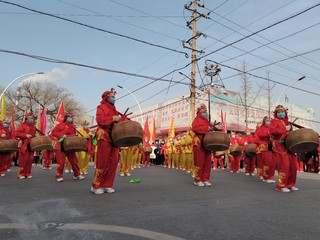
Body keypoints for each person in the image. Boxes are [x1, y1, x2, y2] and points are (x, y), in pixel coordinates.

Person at [91, 88, 126, 194]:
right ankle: (96, 185)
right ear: (106, 97)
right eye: (112, 97)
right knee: (103, 161)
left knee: (114, 162)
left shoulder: (114, 109)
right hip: (104, 135)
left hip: (115, 137)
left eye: (114, 97)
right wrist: (112, 118)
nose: (114, 98)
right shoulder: (101, 107)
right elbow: (100, 121)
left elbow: (117, 122)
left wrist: (123, 119)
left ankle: (107, 185)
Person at [269, 105, 298, 193]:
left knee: (293, 166)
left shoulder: (288, 122)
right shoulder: (274, 121)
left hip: (289, 144)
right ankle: (281, 185)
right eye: (279, 112)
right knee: (284, 165)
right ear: (276, 114)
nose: (281, 113)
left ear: (285, 113)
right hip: (279, 145)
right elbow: (272, 131)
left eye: (282, 112)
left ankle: (290, 184)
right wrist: (284, 128)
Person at [51, 111, 84, 182]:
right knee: (61, 162)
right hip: (61, 145)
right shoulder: (60, 125)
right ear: (66, 118)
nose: (70, 118)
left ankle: (77, 174)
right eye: (69, 117)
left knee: (74, 161)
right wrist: (62, 135)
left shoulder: (73, 127)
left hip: (70, 146)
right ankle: (59, 176)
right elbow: (53, 132)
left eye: (71, 117)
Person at [191, 103, 214, 187]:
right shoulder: (197, 120)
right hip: (199, 143)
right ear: (200, 112)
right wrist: (206, 129)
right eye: (203, 111)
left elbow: (210, 129)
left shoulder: (207, 121)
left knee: (207, 162)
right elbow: (194, 128)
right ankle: (197, 179)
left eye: (206, 111)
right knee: (199, 161)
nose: (205, 113)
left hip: (207, 143)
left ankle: (205, 179)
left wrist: (214, 128)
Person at [14, 113, 37, 179]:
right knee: (23, 160)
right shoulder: (23, 126)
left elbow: (34, 135)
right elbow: (16, 133)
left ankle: (28, 173)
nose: (31, 120)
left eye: (32, 119)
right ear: (26, 119)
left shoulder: (33, 127)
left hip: (31, 145)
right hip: (24, 144)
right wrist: (25, 135)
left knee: (30, 160)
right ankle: (21, 173)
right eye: (30, 118)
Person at [255, 117, 275, 183]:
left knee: (272, 163)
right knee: (266, 162)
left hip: (272, 146)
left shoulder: (272, 128)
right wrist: (268, 133)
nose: (268, 122)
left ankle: (271, 177)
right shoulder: (261, 128)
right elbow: (260, 135)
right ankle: (266, 177)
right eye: (267, 121)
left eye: (269, 121)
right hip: (264, 146)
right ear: (264, 121)